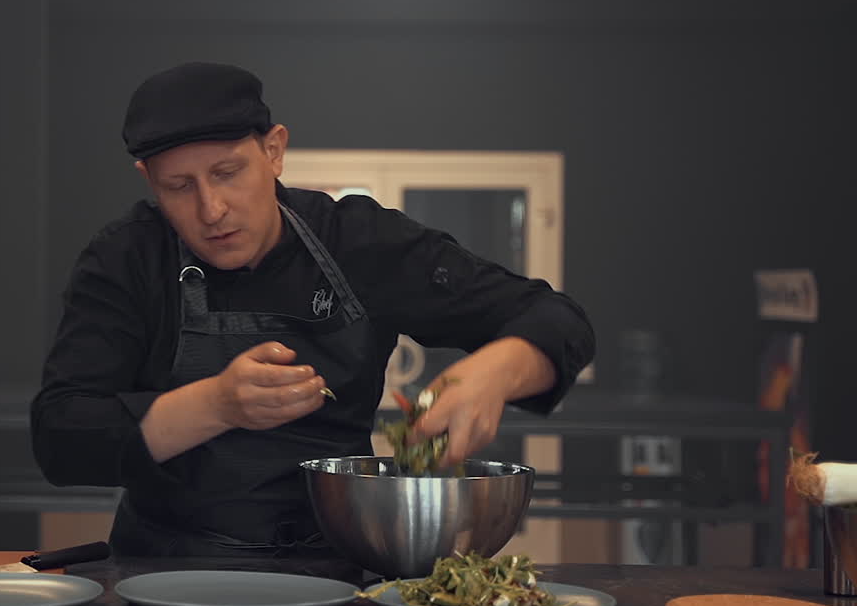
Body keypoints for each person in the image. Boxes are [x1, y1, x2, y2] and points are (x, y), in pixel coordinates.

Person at [31, 62, 595, 558]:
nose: (212, 210)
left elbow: (558, 320)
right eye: (179, 186)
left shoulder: (358, 240)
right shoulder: (126, 258)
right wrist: (217, 404)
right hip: (160, 570)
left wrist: (492, 373)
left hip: (335, 569)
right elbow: (62, 438)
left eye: (228, 173)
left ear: (273, 150)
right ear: (148, 181)